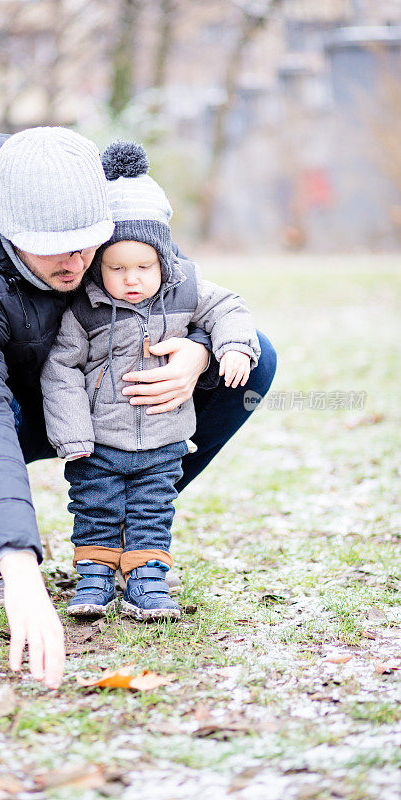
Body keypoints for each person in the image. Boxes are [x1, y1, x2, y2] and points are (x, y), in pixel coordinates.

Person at [0, 126, 276, 687]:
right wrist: (18, 564)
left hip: (114, 403)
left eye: (87, 242)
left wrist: (198, 353)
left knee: (255, 361)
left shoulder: (113, 215)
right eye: (54, 247)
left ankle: (131, 519)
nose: (77, 262)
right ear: (11, 231)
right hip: (17, 409)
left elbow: (181, 290)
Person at [41, 141, 261, 621]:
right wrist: (74, 432)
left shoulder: (186, 287)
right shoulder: (85, 308)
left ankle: (147, 580)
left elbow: (229, 308)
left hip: (163, 435)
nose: (132, 279)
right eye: (117, 268)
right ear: (98, 262)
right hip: (98, 439)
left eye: (144, 267)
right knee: (94, 508)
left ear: (164, 258)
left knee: (152, 511)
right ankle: (94, 579)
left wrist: (233, 346)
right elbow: (61, 370)